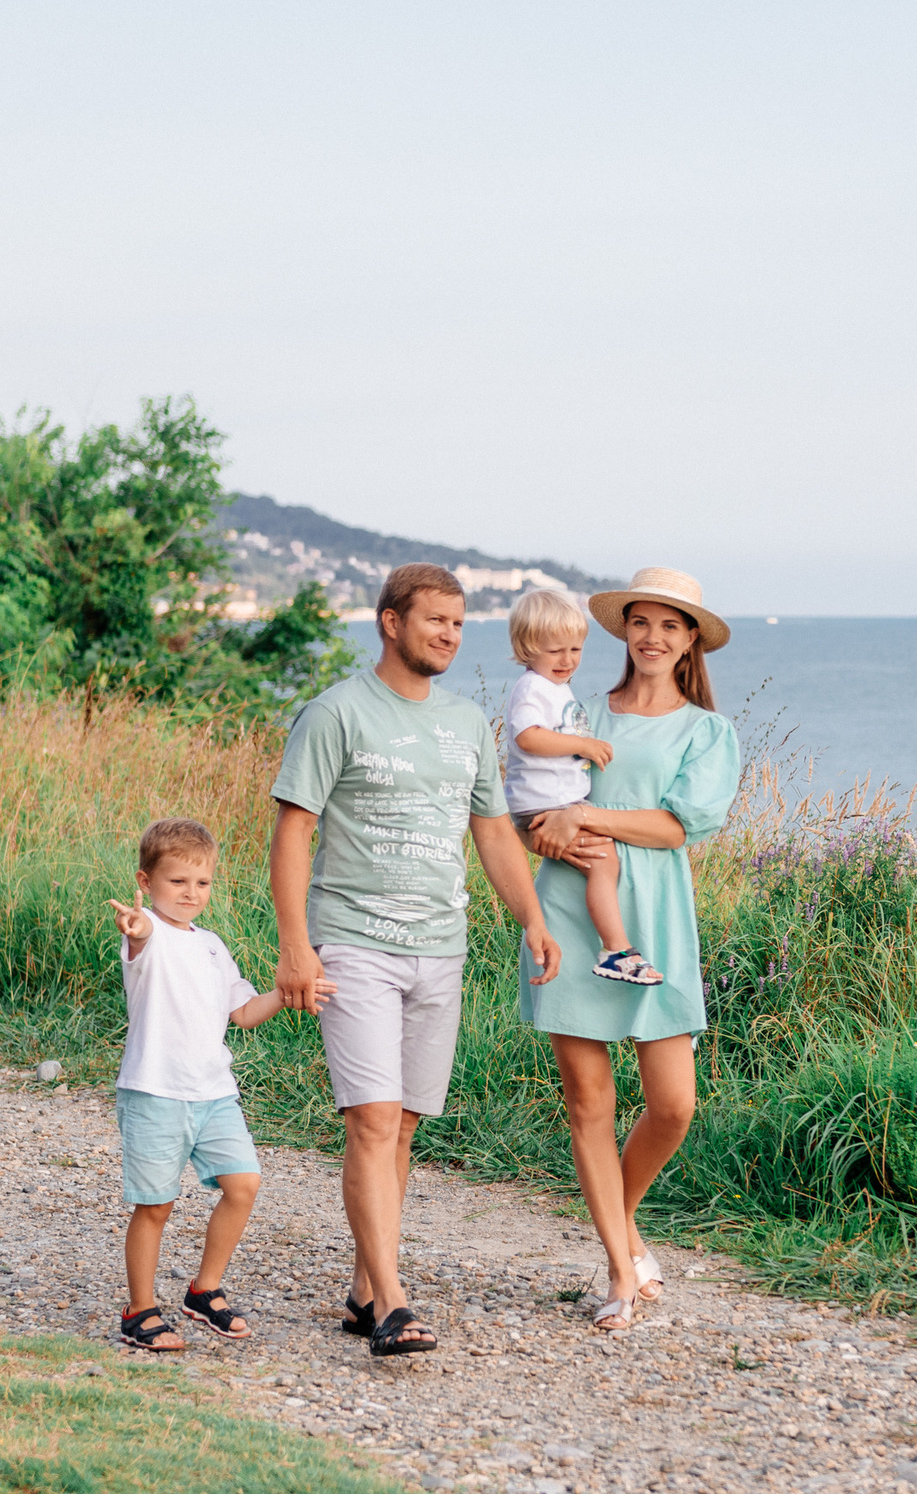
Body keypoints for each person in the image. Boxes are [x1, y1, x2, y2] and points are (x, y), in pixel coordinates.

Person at [269, 562, 563, 1357]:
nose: (449, 635)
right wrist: (296, 947)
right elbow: (293, 831)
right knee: (370, 1119)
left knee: (400, 1125)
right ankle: (395, 1304)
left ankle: (366, 1292)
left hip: (441, 947)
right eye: (435, 620)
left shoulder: (466, 723)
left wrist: (531, 918)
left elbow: (492, 831)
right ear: (390, 623)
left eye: (458, 624)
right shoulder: (335, 713)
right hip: (354, 943)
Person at [519, 566, 741, 1333]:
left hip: (656, 918)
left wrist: (586, 815)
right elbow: (532, 805)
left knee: (673, 1106)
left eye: (669, 626)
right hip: (569, 903)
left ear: (689, 642)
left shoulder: (706, 731)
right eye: (641, 622)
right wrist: (547, 829)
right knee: (590, 1103)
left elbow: (679, 826)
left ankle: (623, 1220)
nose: (652, 636)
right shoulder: (579, 713)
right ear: (625, 631)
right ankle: (619, 1267)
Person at [108, 816, 328, 1354]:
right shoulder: (147, 932)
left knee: (244, 1184)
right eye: (177, 881)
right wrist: (135, 928)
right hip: (155, 1092)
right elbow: (140, 940)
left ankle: (204, 1289)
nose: (191, 893)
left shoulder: (212, 945)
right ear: (146, 882)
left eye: (202, 882)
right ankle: (139, 1310)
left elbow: (243, 1012)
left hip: (214, 1094)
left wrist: (289, 992)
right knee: (156, 1206)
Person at [500, 588, 658, 986]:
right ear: (527, 648)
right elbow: (528, 737)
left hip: (552, 801)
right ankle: (615, 950)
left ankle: (614, 947)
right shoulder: (532, 688)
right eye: (555, 651)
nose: (567, 660)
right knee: (604, 860)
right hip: (543, 803)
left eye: (575, 649)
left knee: (601, 861)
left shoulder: (555, 688)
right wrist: (581, 745)